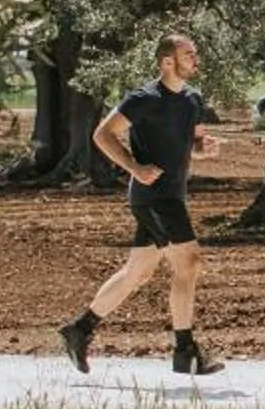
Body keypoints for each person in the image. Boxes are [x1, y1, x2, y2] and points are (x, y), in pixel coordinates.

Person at [57, 32, 227, 377]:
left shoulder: (193, 100)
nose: (195, 59)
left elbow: (189, 144)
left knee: (138, 272)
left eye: (195, 53)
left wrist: (202, 148)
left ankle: (79, 329)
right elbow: (102, 134)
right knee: (189, 262)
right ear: (167, 62)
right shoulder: (144, 98)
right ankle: (185, 352)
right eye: (188, 54)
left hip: (172, 195)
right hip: (154, 197)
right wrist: (134, 167)